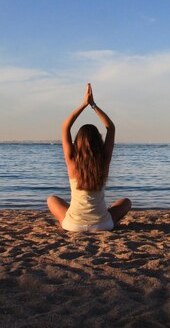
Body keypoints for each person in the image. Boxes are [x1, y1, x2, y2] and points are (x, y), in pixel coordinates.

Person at [47, 83, 131, 232]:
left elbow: (65, 127)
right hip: (103, 225)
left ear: (77, 142)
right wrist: (94, 106)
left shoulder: (72, 161)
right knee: (126, 202)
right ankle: (109, 220)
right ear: (99, 141)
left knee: (52, 199)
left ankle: (65, 222)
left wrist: (83, 105)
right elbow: (110, 128)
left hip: (72, 225)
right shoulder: (103, 161)